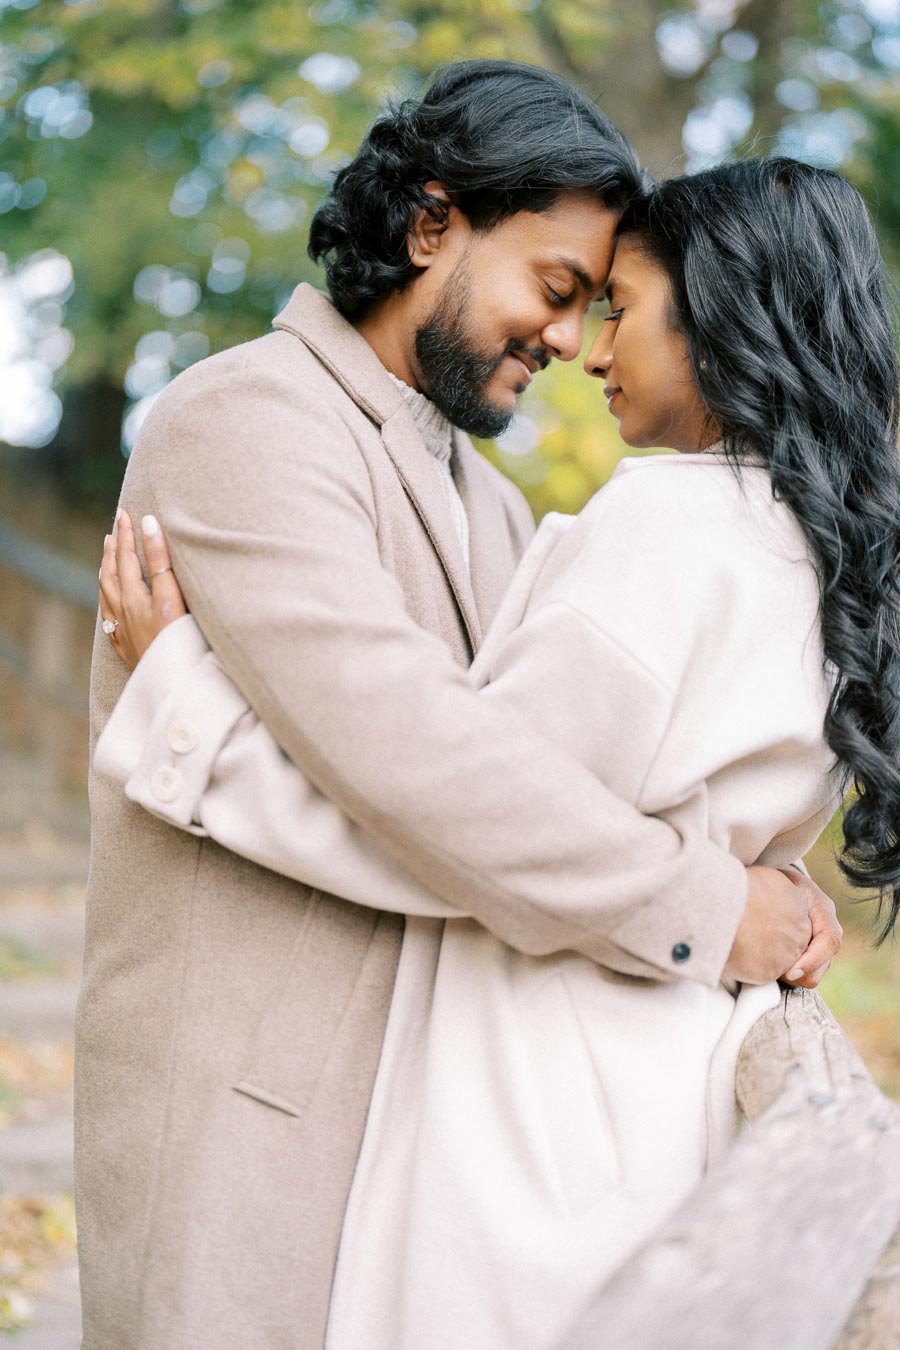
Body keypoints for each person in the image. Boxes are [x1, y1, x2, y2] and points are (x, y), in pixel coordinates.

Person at [78, 58, 839, 1350]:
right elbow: (438, 775)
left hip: (434, 1131)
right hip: (267, 1116)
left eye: (600, 304)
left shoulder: (490, 501)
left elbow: (570, 778)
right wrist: (713, 907)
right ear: (432, 224)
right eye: (553, 290)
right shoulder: (248, 420)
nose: (568, 339)